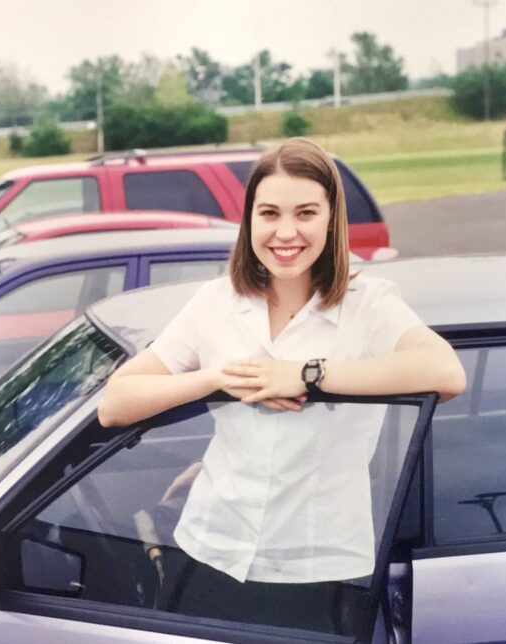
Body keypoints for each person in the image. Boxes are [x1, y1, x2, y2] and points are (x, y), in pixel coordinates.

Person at [98, 137, 465, 633]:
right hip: (211, 552)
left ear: (331, 219)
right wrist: (220, 380)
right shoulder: (216, 302)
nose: (285, 232)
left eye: (306, 213)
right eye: (269, 213)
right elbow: (115, 404)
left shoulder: (368, 303)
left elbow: (445, 373)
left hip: (319, 573)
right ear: (249, 219)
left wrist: (307, 374)